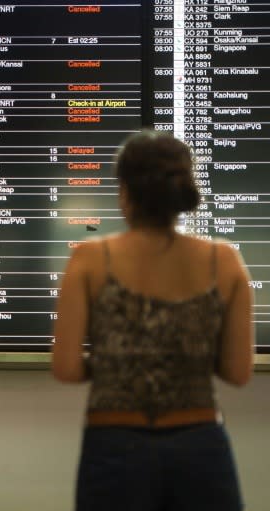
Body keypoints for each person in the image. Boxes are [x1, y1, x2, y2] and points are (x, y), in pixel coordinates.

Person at [51, 130, 254, 511]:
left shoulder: (91, 261)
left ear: (125, 193)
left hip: (113, 446)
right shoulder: (224, 262)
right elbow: (238, 371)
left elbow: (65, 367)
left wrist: (116, 362)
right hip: (200, 447)